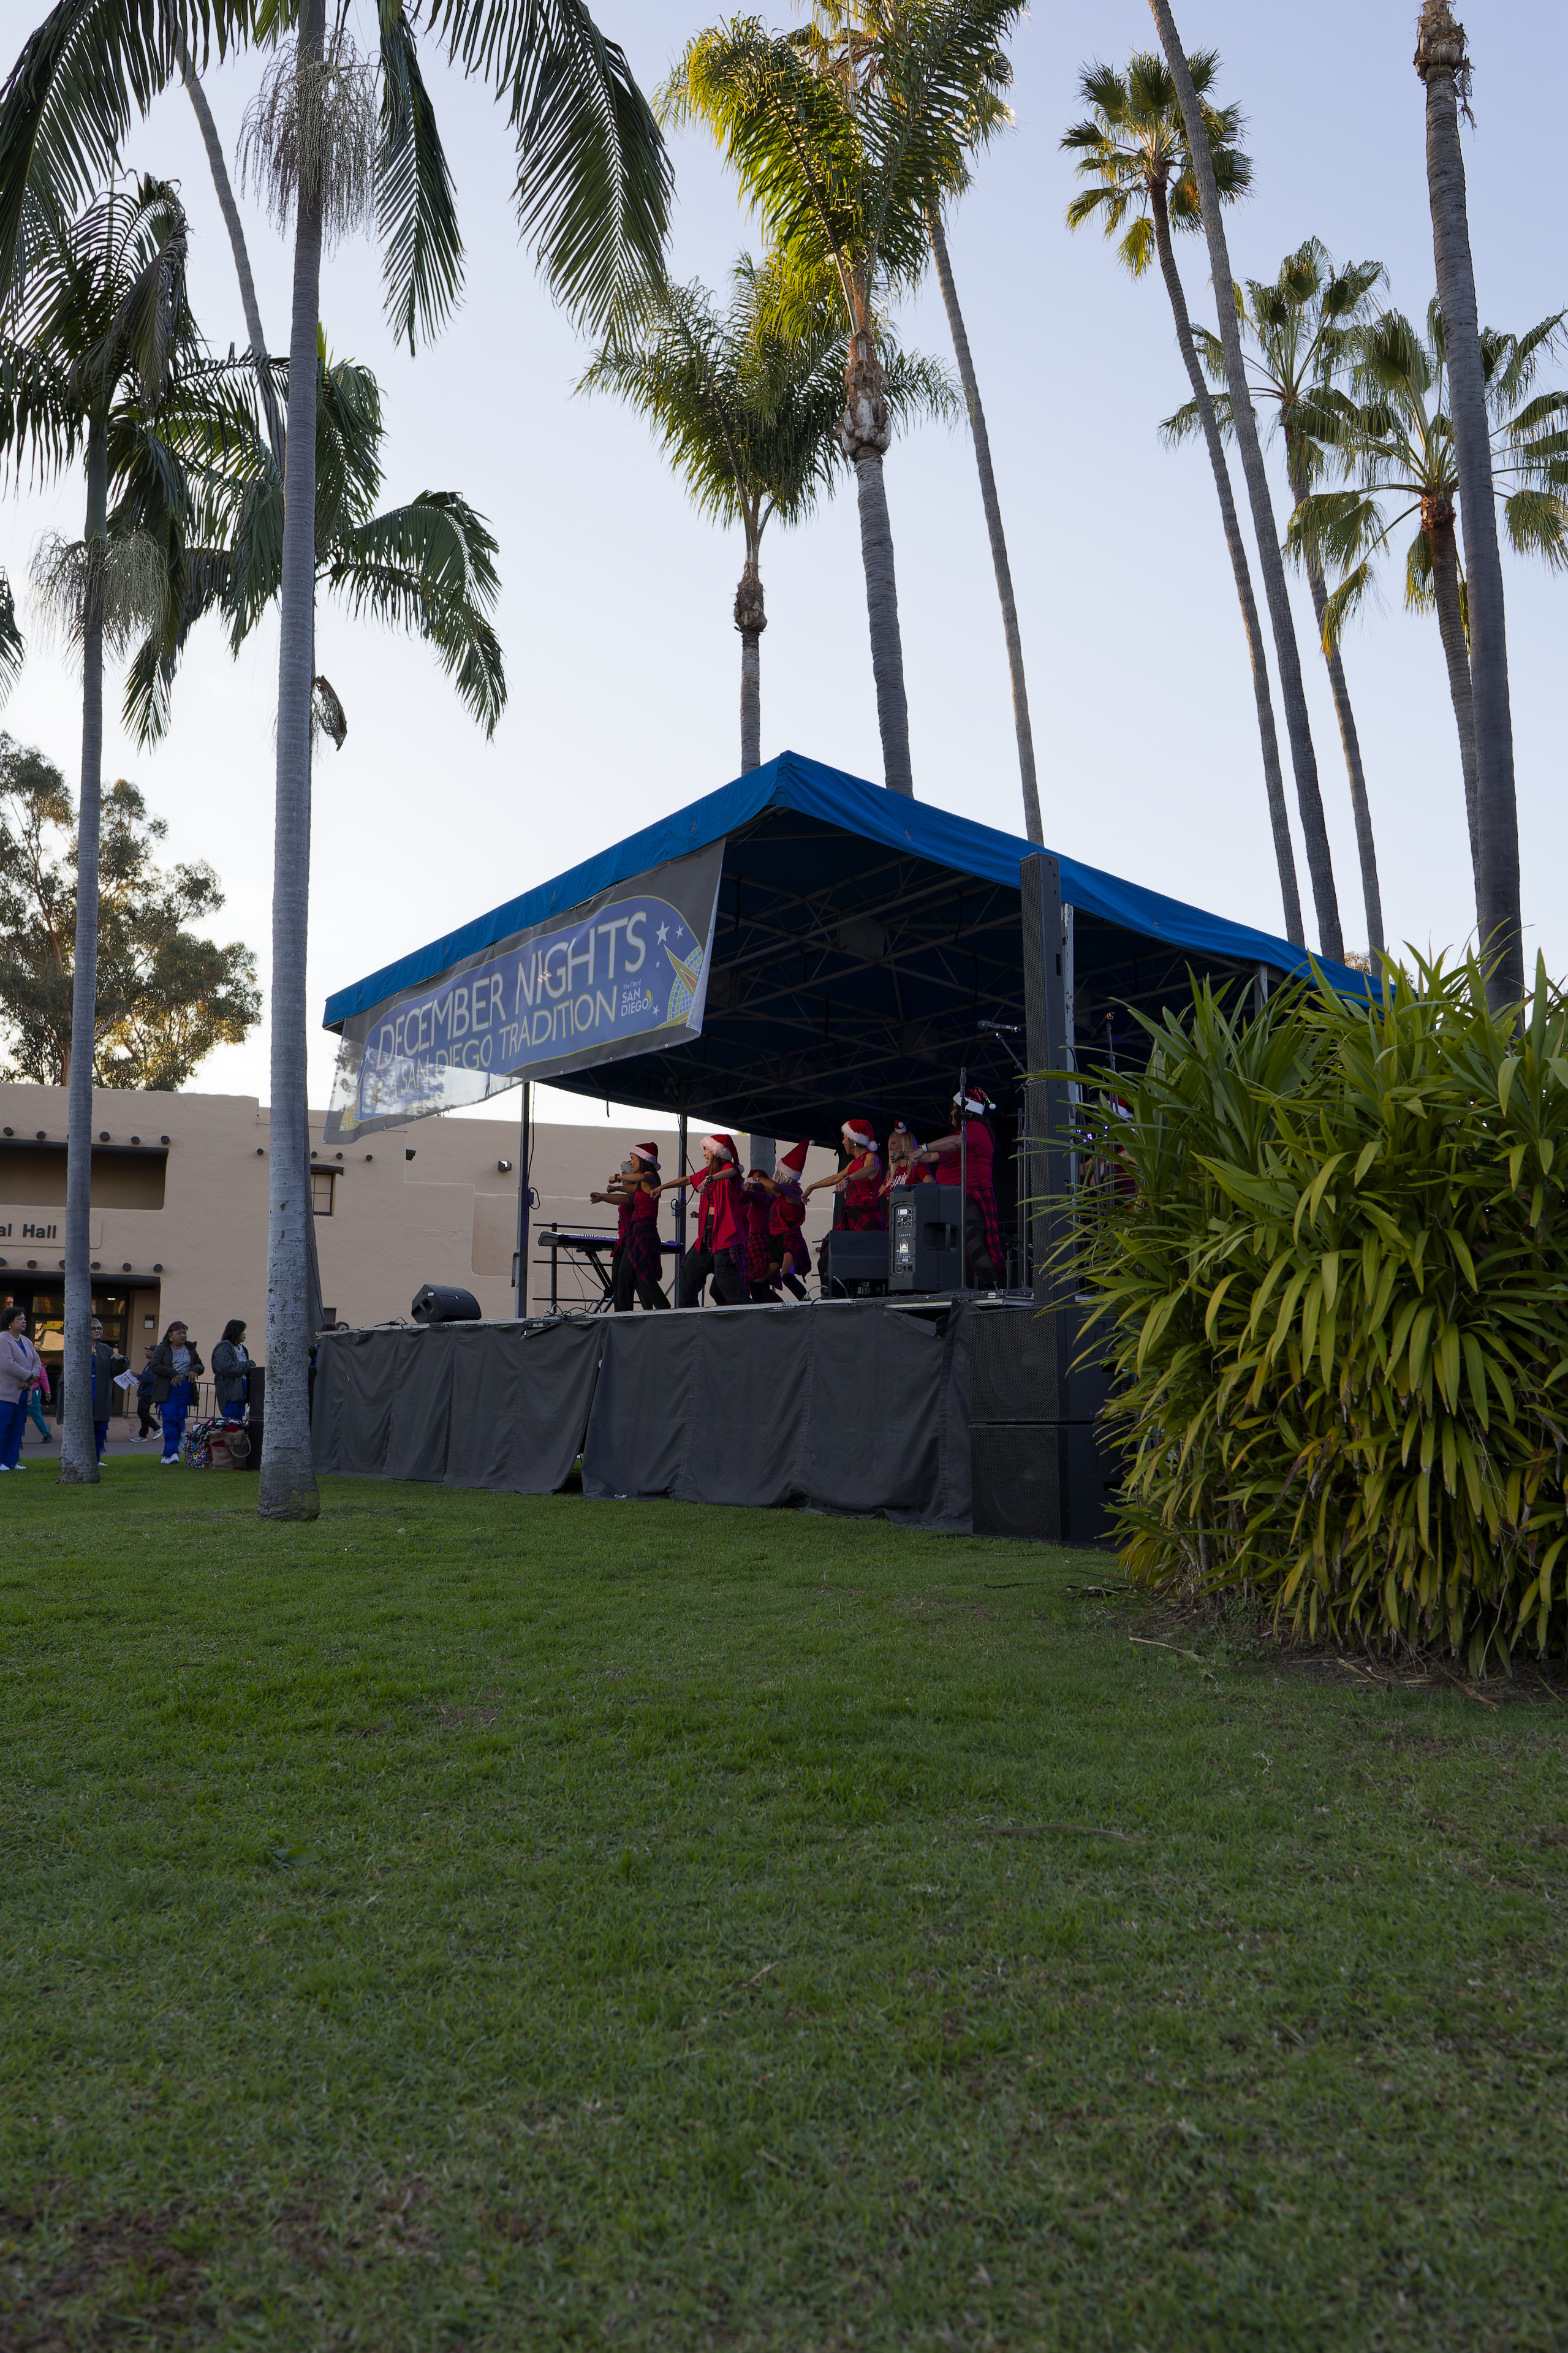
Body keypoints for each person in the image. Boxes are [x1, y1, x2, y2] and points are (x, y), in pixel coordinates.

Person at [919, 1086, 1002, 1288]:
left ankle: (991, 1288)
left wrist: (923, 1148)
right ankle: (950, 1288)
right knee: (950, 1246)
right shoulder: (958, 1136)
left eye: (954, 1108)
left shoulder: (975, 1129)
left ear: (966, 1111)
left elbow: (956, 1142)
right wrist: (906, 1154)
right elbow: (931, 1156)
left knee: (972, 1243)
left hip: (971, 1194)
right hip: (952, 1198)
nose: (951, 1113)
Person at [664, 1133, 748, 1307]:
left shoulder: (728, 1169)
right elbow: (688, 1179)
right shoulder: (708, 1172)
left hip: (724, 1234)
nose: (704, 1153)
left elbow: (734, 1170)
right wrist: (662, 1188)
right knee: (689, 1271)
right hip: (708, 1233)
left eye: (707, 1150)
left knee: (726, 1280)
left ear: (717, 1152)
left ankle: (748, 1315)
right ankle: (690, 1314)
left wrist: (710, 1179)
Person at [806, 1118, 885, 1292]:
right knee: (826, 1260)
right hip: (850, 1218)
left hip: (866, 1217)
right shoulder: (853, 1163)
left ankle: (855, 1296)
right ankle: (830, 1296)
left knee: (863, 1264)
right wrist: (812, 1187)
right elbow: (836, 1178)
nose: (843, 1142)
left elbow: (870, 1169)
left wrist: (848, 1178)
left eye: (845, 1137)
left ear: (854, 1140)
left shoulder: (871, 1157)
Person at [591, 1145, 669, 1313]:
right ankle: (627, 1315)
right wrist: (615, 1189)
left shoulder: (650, 1176)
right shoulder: (642, 1184)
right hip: (637, 1231)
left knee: (640, 1278)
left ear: (643, 1159)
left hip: (643, 1231)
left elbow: (639, 1180)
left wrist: (617, 1178)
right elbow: (633, 1190)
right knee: (628, 1278)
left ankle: (665, 1310)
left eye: (633, 1159)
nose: (631, 1162)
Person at [146, 1319, 205, 1466]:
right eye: (179, 1333)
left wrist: (195, 1370)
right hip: (168, 1388)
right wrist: (172, 1373)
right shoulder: (163, 1348)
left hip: (184, 1389)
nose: (183, 1336)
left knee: (179, 1421)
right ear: (170, 1335)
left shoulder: (190, 1348)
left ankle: (170, 1453)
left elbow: (200, 1365)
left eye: (184, 1333)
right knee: (170, 1419)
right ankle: (171, 1453)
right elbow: (155, 1365)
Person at [761, 1141, 812, 1300]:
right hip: (778, 1240)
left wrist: (759, 1178)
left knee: (787, 1276)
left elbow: (774, 1187)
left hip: (790, 1239)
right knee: (758, 1279)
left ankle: (807, 1302)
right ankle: (770, 1305)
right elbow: (771, 1189)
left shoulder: (794, 1190)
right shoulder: (786, 1194)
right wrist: (751, 1186)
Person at [0, 1306, 44, 1472]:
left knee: (18, 1428)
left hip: (24, 1393)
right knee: (4, 1427)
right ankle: (1, 1462)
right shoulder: (3, 1339)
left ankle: (12, 1461)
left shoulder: (26, 1341)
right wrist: (29, 1376)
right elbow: (8, 1364)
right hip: (6, 1394)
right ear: (10, 1322)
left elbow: (37, 1362)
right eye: (20, 1319)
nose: (24, 1321)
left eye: (24, 1319)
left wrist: (32, 1378)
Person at [87, 1316, 131, 1463]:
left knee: (100, 1428)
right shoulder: (79, 1347)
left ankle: (96, 1458)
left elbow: (114, 1371)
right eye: (94, 1328)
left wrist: (121, 1361)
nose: (97, 1331)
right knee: (85, 1428)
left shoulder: (105, 1349)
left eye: (99, 1328)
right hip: (85, 1393)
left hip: (101, 1393)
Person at [740, 1163, 778, 1302]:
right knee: (760, 1282)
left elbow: (744, 1194)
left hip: (759, 1241)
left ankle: (762, 1308)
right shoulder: (770, 1199)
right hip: (762, 1240)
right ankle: (764, 1308)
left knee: (756, 1281)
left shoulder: (761, 1199)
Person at [211, 1320, 252, 1425]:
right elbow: (229, 1368)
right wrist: (249, 1365)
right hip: (230, 1392)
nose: (244, 1334)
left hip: (243, 1389)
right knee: (230, 1420)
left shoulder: (243, 1349)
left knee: (239, 1420)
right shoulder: (223, 1348)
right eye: (242, 1331)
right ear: (236, 1332)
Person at [882, 1120, 932, 1197]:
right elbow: (878, 1194)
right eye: (889, 1144)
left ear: (904, 1144)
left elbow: (931, 1184)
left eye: (894, 1143)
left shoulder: (917, 1167)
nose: (890, 1147)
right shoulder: (892, 1172)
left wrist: (912, 1196)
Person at [24, 1351, 53, 1446]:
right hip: (23, 1390)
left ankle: (46, 1434)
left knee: (34, 1411)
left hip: (34, 1390)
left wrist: (47, 1391)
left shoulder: (37, 1363)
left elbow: (43, 1378)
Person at [133, 1345, 157, 1441]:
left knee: (142, 1412)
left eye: (149, 1351)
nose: (146, 1352)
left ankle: (157, 1428)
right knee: (145, 1413)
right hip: (145, 1391)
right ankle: (143, 1435)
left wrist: (138, 1376)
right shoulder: (149, 1364)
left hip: (149, 1392)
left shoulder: (154, 1364)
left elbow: (150, 1378)